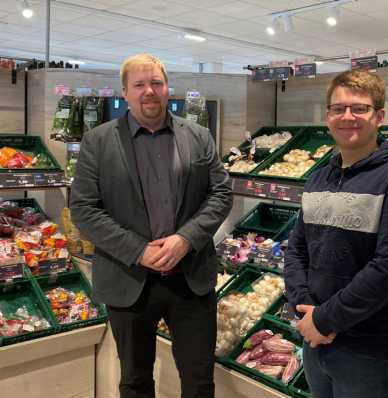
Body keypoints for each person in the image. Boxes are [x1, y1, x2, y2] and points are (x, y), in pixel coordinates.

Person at [69, 53, 232, 398]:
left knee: (199, 380)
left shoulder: (199, 137)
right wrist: (138, 250)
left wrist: (186, 239)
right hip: (130, 280)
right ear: (125, 92)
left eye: (156, 83)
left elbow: (220, 194)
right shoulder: (98, 141)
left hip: (191, 279)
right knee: (136, 381)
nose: (149, 91)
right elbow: (83, 208)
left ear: (167, 88)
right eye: (139, 84)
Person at [284, 70, 388, 398]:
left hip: (371, 354)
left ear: (379, 117)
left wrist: (326, 320)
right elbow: (297, 250)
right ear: (327, 117)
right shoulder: (318, 179)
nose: (347, 116)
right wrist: (304, 305)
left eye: (359, 109)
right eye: (338, 109)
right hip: (316, 342)